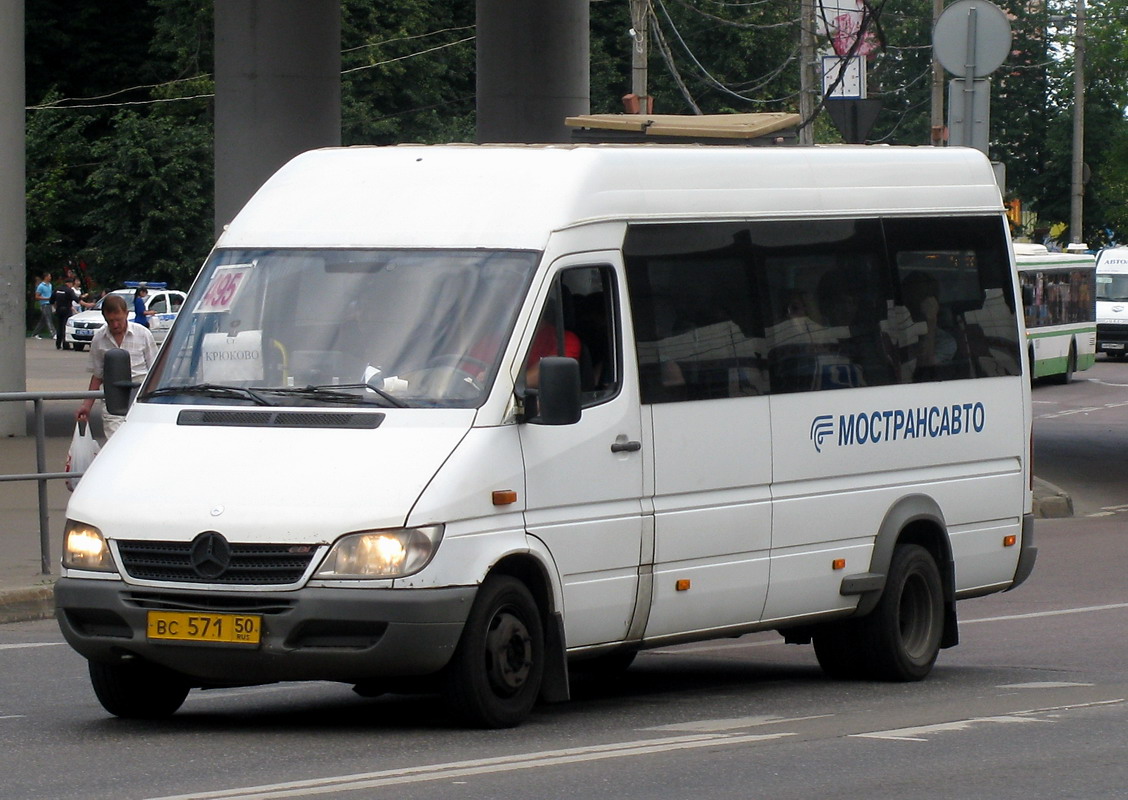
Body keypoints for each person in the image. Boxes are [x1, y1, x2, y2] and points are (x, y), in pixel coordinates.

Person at [76, 294, 156, 439]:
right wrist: (86, 405)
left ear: (126, 314)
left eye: (118, 320)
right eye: (110, 321)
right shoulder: (99, 339)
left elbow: (156, 371)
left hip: (140, 396)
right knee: (115, 442)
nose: (115, 325)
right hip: (112, 400)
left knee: (139, 441)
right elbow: (97, 376)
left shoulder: (143, 334)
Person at [51, 278, 83, 350]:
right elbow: (76, 299)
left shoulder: (57, 289)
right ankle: (65, 345)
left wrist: (55, 307)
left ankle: (58, 344)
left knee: (59, 327)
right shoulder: (69, 290)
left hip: (59, 310)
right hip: (67, 310)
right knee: (65, 327)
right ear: (69, 283)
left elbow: (51, 300)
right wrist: (86, 304)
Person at [29, 272, 56, 339]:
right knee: (48, 319)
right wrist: (46, 298)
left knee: (43, 320)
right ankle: (53, 333)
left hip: (49, 303)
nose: (50, 278)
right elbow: (37, 297)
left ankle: (35, 333)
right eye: (49, 276)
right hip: (44, 304)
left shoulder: (50, 285)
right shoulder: (41, 286)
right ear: (45, 277)